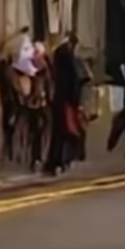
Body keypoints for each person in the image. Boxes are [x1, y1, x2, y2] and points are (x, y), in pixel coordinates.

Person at [44, 33, 85, 176]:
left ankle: (55, 162)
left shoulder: (57, 55)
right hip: (66, 100)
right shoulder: (67, 56)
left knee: (59, 132)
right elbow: (74, 80)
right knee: (66, 132)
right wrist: (76, 101)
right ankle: (61, 161)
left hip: (58, 98)